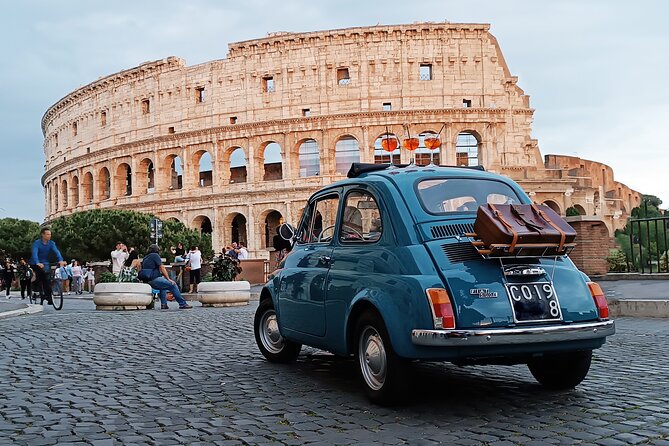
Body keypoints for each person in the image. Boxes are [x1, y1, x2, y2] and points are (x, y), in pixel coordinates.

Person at [140, 244, 192, 309]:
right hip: (154, 279)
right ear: (157, 250)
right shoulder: (155, 255)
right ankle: (182, 304)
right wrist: (168, 279)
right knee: (172, 285)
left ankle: (164, 304)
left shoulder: (146, 257)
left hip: (147, 280)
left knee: (163, 287)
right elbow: (162, 267)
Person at [30, 227, 65, 305]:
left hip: (45, 262)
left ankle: (49, 297)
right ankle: (35, 291)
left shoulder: (51, 243)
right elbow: (35, 254)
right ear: (43, 235)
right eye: (48, 234)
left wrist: (61, 260)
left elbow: (57, 252)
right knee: (38, 277)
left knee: (47, 279)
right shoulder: (37, 243)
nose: (49, 236)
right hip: (35, 262)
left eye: (50, 234)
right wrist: (37, 262)